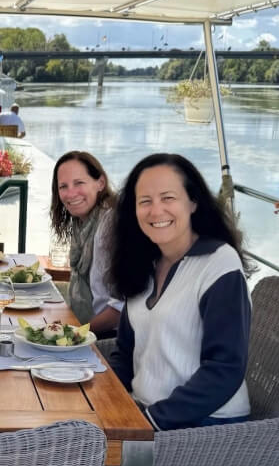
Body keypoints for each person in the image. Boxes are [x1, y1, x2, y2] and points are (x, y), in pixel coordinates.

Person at [107, 153, 252, 431]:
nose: (156, 210)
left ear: (193, 202)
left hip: (201, 424)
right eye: (145, 201)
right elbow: (125, 353)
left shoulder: (219, 264)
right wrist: (103, 395)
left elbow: (225, 368)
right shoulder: (144, 263)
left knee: (66, 458)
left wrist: (151, 421)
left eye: (168, 198)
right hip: (143, 410)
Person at [49, 151, 123, 335]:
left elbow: (121, 308)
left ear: (100, 183)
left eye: (79, 183)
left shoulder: (110, 225)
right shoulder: (82, 223)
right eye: (63, 186)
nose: (70, 193)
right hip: (89, 326)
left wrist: (75, 334)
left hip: (112, 337)